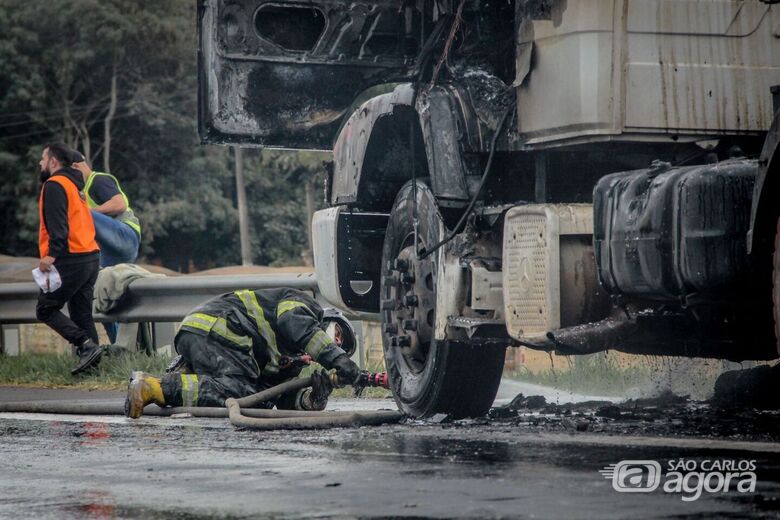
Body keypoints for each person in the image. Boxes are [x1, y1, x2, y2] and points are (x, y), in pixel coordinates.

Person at [125, 288, 361, 417]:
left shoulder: (290, 361)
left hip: (210, 336)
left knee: (257, 402)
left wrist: (316, 398)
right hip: (221, 326)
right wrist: (335, 357)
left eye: (342, 346)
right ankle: (158, 388)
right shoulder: (304, 305)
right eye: (338, 335)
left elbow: (276, 397)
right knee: (241, 393)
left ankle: (188, 376)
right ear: (327, 319)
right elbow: (295, 323)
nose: (337, 342)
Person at [35, 143, 104, 375]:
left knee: (45, 309)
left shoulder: (54, 185)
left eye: (43, 159)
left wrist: (51, 255)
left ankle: (85, 344)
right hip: (90, 256)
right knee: (81, 313)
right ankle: (92, 369)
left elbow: (59, 227)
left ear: (54, 162)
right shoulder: (76, 186)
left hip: (70, 257)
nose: (40, 163)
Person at [72, 155, 141, 343]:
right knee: (101, 294)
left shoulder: (98, 180)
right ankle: (119, 346)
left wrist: (87, 212)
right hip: (109, 250)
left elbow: (119, 204)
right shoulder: (82, 191)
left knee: (80, 212)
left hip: (125, 236)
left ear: (77, 166)